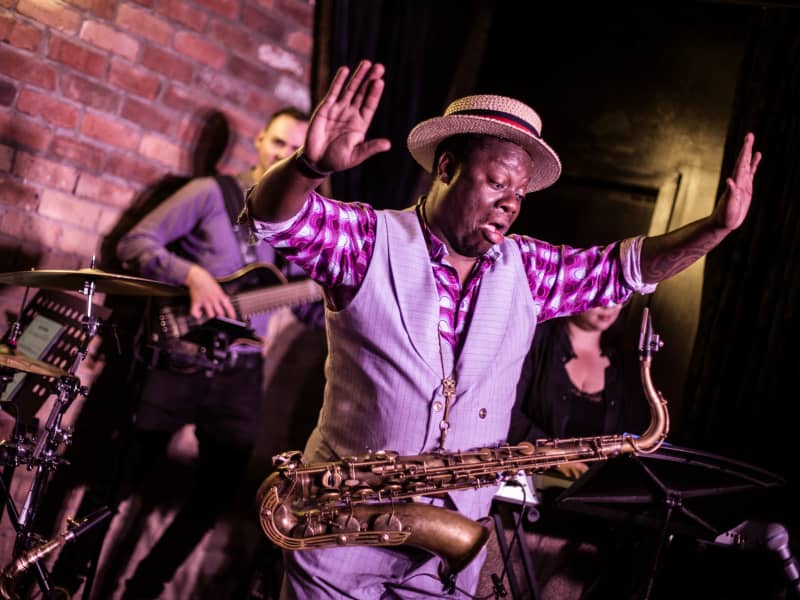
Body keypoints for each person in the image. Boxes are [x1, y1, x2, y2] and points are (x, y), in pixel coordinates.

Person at [242, 59, 761, 599]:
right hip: (339, 530)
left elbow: (625, 268)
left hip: (446, 551)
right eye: (496, 182)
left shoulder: (529, 270)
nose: (511, 204)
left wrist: (716, 230)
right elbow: (276, 218)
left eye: (520, 192)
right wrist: (306, 166)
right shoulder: (371, 239)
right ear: (446, 168)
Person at [109, 106, 318, 600]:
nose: (284, 157)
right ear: (259, 142)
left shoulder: (298, 224)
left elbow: (306, 307)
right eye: (278, 145)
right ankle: (69, 578)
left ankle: (143, 588)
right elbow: (133, 244)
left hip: (241, 374)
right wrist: (191, 274)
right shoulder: (212, 193)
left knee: (217, 497)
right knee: (115, 484)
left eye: (297, 152)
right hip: (177, 359)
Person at [509, 301, 649, 481]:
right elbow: (505, 411)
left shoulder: (625, 367)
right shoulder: (536, 338)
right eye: (603, 294)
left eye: (620, 297)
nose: (611, 306)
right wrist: (552, 456)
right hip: (526, 483)